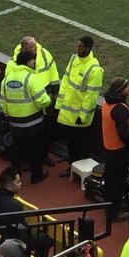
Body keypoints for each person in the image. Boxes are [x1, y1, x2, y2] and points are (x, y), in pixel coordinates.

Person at [0, 48, 51, 183]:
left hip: (15, 124)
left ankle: (15, 176)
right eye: (33, 60)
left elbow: (3, 102)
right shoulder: (31, 78)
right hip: (34, 124)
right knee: (36, 151)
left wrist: (10, 114)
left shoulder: (7, 79)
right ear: (28, 62)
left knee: (17, 151)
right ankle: (36, 175)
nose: (34, 62)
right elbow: (43, 100)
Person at [55, 35, 104, 171]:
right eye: (77, 46)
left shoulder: (95, 69)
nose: (77, 49)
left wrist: (82, 116)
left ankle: (79, 169)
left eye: (80, 47)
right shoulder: (73, 59)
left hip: (79, 118)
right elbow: (65, 81)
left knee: (80, 145)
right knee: (71, 143)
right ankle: (72, 166)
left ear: (88, 48)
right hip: (68, 113)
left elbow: (91, 96)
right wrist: (59, 104)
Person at [100, 77, 129, 224]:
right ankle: (114, 212)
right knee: (117, 181)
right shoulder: (119, 109)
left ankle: (112, 205)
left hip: (109, 146)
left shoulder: (107, 103)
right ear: (121, 91)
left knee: (110, 178)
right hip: (118, 150)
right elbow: (124, 134)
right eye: (127, 87)